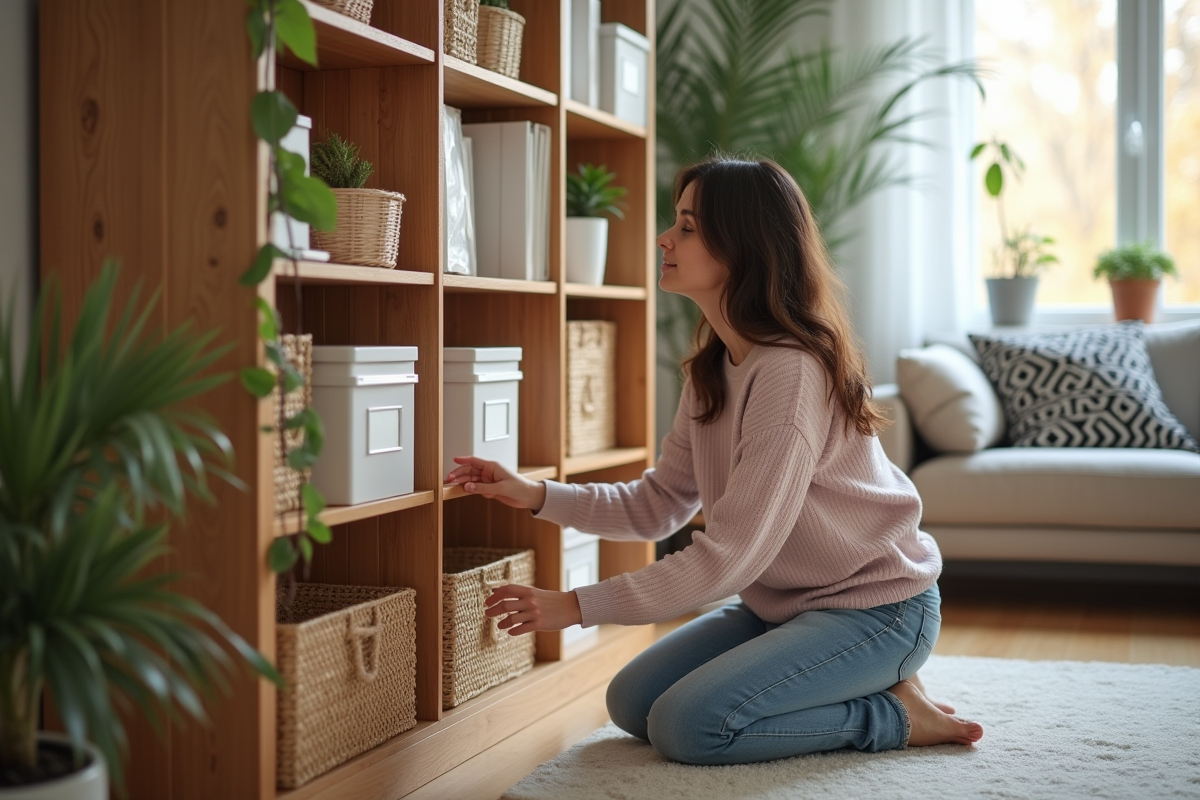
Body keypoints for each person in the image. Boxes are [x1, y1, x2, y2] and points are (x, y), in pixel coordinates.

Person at [444, 156, 984, 765]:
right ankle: (846, 681)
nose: (663, 239)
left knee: (689, 726)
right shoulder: (713, 369)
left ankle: (893, 713)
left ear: (744, 247)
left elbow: (728, 556)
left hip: (878, 610)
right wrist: (535, 494)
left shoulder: (790, 373)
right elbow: (657, 506)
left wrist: (574, 606)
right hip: (782, 607)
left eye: (689, 227)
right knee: (631, 702)